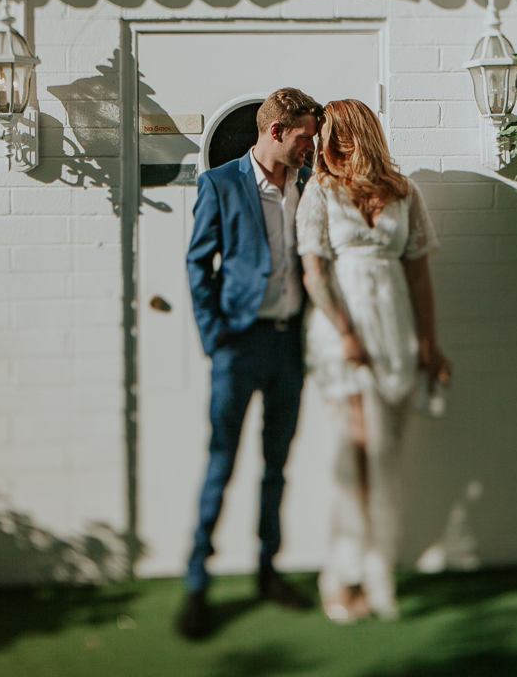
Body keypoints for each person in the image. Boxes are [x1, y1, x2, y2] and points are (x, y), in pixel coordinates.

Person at [176, 88, 322, 640]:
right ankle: (196, 584)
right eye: (305, 135)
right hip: (239, 344)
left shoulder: (308, 185)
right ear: (276, 131)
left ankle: (267, 570)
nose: (311, 144)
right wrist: (216, 337)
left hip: (289, 344)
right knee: (222, 462)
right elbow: (199, 264)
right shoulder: (220, 184)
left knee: (276, 464)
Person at [297, 98, 451, 623]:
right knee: (359, 457)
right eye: (325, 136)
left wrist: (429, 345)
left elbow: (419, 274)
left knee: (387, 460)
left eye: (339, 133)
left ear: (362, 132)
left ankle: (377, 568)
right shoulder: (319, 192)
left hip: (396, 333)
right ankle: (341, 576)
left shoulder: (405, 193)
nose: (330, 144)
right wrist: (344, 332)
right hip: (344, 336)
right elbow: (314, 274)